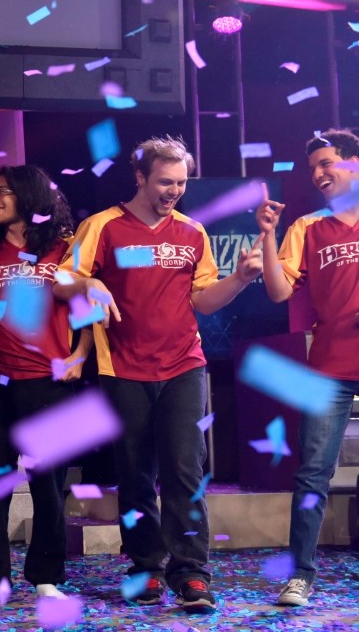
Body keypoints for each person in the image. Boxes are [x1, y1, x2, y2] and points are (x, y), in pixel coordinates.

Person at [54, 136, 262, 611]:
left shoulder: (192, 232)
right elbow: (61, 279)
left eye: (181, 183)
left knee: (186, 470)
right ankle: (145, 567)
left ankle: (190, 573)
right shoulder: (102, 225)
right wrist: (90, 282)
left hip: (184, 364)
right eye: (166, 182)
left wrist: (239, 279)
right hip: (123, 366)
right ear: (140, 177)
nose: (174, 191)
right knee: (136, 474)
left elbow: (203, 299)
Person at [0, 165, 90, 606]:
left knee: (48, 487)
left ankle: (45, 577)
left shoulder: (63, 248)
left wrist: (80, 355)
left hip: (47, 384)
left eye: (3, 191)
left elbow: (87, 305)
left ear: (29, 196)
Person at [255, 129, 359, 608]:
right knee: (314, 472)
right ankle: (300, 575)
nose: (318, 173)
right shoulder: (307, 227)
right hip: (328, 369)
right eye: (313, 167)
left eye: (326, 162)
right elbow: (278, 292)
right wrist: (268, 235)